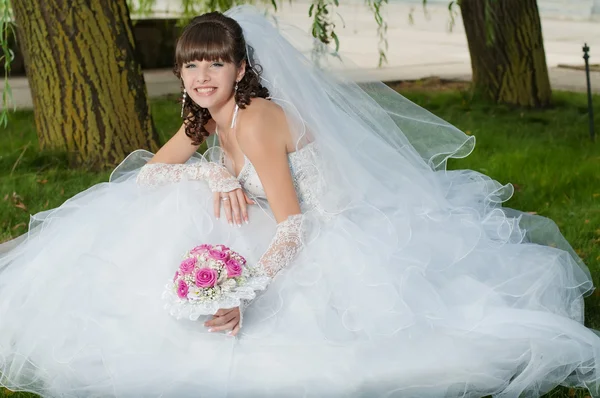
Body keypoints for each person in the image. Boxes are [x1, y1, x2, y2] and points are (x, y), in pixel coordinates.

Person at [1, 5, 599, 398]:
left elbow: (294, 225)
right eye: (191, 64)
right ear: (180, 73)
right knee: (174, 205)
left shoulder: (257, 120)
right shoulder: (204, 116)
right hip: (270, 218)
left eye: (216, 62)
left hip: (324, 231)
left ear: (240, 68)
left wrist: (243, 293)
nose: (202, 74)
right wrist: (213, 179)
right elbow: (149, 176)